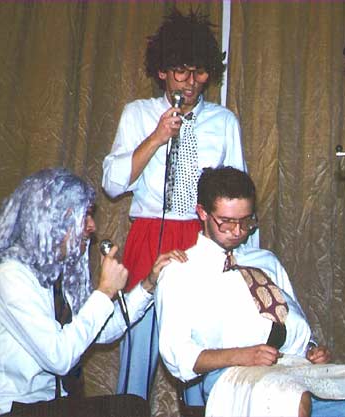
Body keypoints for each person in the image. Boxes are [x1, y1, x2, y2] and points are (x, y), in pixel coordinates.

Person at [156, 166, 345, 417]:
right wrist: (242, 355)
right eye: (227, 222)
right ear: (202, 213)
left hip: (293, 367)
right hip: (230, 375)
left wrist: (311, 350)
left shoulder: (265, 261)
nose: (238, 231)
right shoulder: (181, 271)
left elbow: (292, 322)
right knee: (292, 398)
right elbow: (178, 356)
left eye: (246, 221)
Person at [102, 9, 253, 399]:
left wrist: (245, 260)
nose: (190, 82)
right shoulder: (138, 114)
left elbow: (239, 195)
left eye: (199, 72)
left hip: (202, 239)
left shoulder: (223, 121)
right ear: (162, 72)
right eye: (181, 72)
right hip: (149, 233)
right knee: (138, 350)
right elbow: (113, 185)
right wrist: (156, 137)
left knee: (200, 352)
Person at [0, 168, 185, 416]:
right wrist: (104, 291)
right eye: (84, 215)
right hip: (14, 409)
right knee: (128, 408)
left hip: (51, 405)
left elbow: (101, 331)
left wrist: (148, 284)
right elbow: (60, 357)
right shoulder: (9, 276)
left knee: (132, 405)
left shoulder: (56, 272)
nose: (92, 226)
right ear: (55, 219)